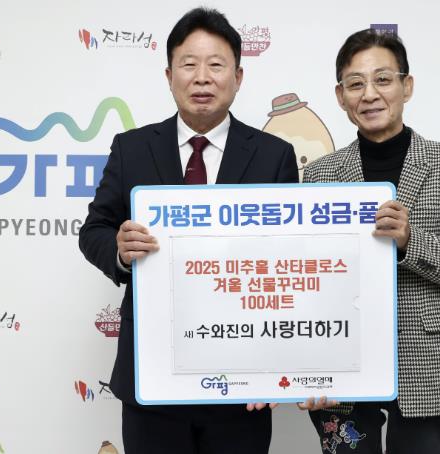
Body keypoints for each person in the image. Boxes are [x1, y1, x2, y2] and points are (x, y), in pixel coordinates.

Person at [78, 8, 298, 454]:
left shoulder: (274, 154)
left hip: (242, 375)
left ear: (238, 76)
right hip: (152, 370)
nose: (202, 77)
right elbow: (94, 229)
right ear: (169, 75)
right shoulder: (132, 148)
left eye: (216, 65)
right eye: (189, 64)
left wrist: (278, 363)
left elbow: (289, 257)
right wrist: (119, 250)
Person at [300, 29, 440, 454]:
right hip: (344, 366)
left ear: (406, 86)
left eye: (383, 79)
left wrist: (411, 241)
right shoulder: (319, 175)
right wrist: (309, 368)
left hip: (428, 365)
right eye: (356, 83)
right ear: (340, 96)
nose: (369, 94)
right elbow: (306, 281)